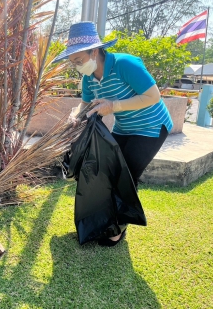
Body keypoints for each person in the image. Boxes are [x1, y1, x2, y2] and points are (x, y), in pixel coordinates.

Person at [54, 22, 173, 246]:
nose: (78, 66)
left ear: (95, 51)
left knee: (127, 175)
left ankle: (118, 227)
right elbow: (85, 104)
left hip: (151, 127)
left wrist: (114, 106)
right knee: (108, 173)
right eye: (74, 63)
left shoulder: (125, 64)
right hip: (124, 128)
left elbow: (153, 96)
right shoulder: (88, 78)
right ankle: (105, 221)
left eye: (79, 61)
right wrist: (76, 117)